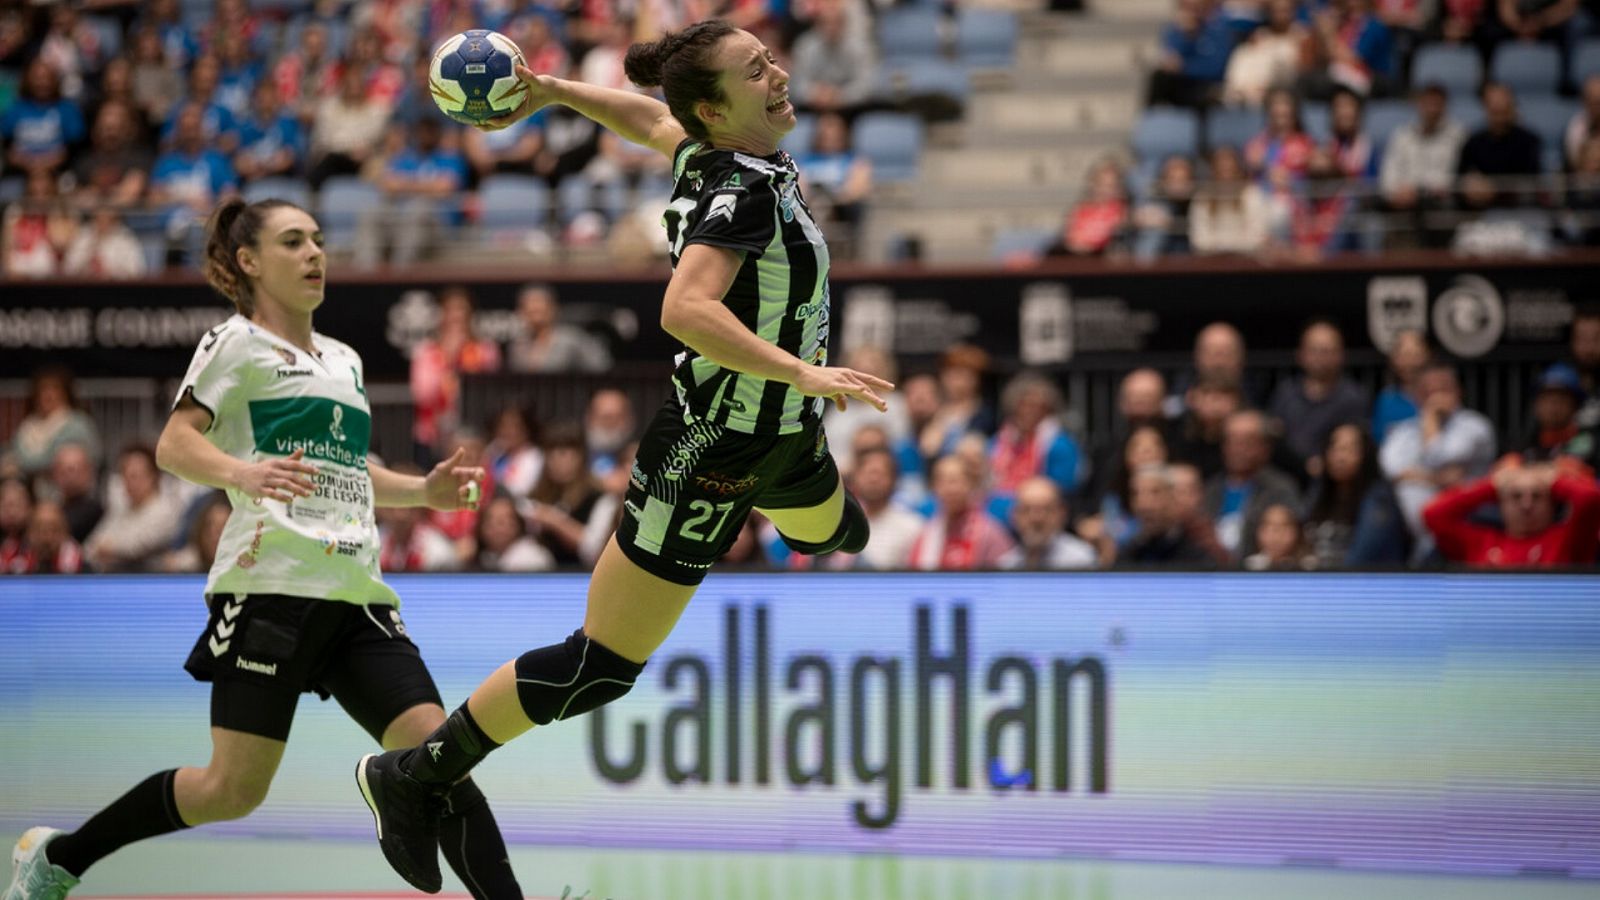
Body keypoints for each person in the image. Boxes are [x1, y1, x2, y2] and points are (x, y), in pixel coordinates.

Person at [352, 22, 893, 895]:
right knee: (600, 665)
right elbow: (684, 308)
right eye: (758, 70)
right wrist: (802, 369)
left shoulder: (717, 154)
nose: (781, 73)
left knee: (843, 533)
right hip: (712, 449)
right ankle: (413, 776)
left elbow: (649, 124)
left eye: (770, 59)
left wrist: (557, 90)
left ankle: (800, 507)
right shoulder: (740, 192)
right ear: (719, 109)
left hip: (788, 438)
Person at [2, 197, 526, 900]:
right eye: (293, 242)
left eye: (317, 239)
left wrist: (422, 493)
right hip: (270, 590)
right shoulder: (234, 344)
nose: (315, 254)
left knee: (441, 760)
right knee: (230, 790)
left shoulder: (345, 359)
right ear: (249, 262)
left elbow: (347, 468)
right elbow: (174, 443)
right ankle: (60, 857)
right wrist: (242, 472)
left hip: (355, 595)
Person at [1379, 361, 1497, 554]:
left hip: (1467, 525)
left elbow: (1437, 457)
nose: (1436, 397)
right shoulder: (1403, 432)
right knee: (1380, 499)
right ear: (1416, 396)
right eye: (1428, 391)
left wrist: (1430, 419)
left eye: (1443, 389)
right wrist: (1437, 478)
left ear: (1458, 391)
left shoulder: (1475, 426)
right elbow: (1390, 468)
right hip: (1411, 532)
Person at [1424, 456, 1600, 567]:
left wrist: (1553, 480)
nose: (1526, 504)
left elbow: (1591, 498)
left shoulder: (1569, 540)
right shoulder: (1479, 541)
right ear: (1501, 504)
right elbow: (1433, 514)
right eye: (1516, 496)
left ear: (1551, 504)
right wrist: (1493, 484)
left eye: (1537, 496)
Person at [409, 286, 502, 466]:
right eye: (449, 309)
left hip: (475, 434)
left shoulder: (486, 350)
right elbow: (423, 394)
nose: (456, 316)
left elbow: (491, 392)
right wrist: (449, 359)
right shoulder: (426, 352)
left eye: (461, 309)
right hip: (432, 436)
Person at [1267, 318, 1371, 477]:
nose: (1320, 358)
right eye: (1314, 350)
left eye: (1327, 351)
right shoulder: (1285, 393)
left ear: (1341, 355)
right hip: (1286, 474)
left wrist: (1325, 462)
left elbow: (1355, 446)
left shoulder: (1353, 398)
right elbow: (1275, 436)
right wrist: (1302, 464)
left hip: (1333, 478)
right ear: (1300, 354)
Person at [1302, 422, 1410, 567]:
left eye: (1349, 450)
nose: (1340, 457)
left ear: (1366, 455)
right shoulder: (1320, 491)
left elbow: (1361, 558)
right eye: (1335, 448)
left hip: (1361, 584)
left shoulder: (1379, 499)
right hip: (1318, 581)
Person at [1204, 409, 1301, 560]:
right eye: (1232, 441)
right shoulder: (1211, 488)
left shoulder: (1279, 489)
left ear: (1264, 448)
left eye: (1246, 442)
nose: (1238, 449)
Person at [1379, 83, 1466, 250]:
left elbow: (1453, 178)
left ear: (1445, 106)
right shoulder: (1402, 135)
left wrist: (1418, 191)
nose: (1432, 109)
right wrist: (1396, 193)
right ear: (1419, 105)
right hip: (1401, 203)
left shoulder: (1458, 136)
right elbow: (1388, 176)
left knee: (1432, 207)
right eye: (1428, 103)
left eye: (1437, 104)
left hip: (1439, 205)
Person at [82, 444, 185, 573]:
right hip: (115, 578)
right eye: (125, 476)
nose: (129, 482)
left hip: (152, 580)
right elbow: (90, 547)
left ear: (153, 476)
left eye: (135, 476)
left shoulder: (166, 510)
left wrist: (110, 548)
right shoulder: (120, 510)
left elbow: (137, 547)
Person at [908, 454, 1016, 571]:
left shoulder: (990, 533)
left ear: (970, 484)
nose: (948, 489)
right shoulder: (926, 534)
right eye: (942, 482)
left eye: (954, 481)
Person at [6, 367, 101, 480]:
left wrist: (19, 464)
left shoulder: (77, 423)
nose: (49, 395)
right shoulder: (28, 425)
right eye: (44, 390)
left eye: (54, 389)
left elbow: (53, 459)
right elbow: (14, 451)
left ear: (65, 393)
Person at [1116, 464, 1216, 566]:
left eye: (1155, 493)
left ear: (1173, 498)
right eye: (1136, 494)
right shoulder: (1128, 554)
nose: (1144, 505)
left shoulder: (1199, 547)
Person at [505, 283, 612, 373]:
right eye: (530, 312)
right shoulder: (517, 344)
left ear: (553, 309)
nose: (535, 319)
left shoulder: (572, 339)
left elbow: (602, 365)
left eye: (539, 312)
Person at [1001, 476, 1097, 570]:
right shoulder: (1007, 565)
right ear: (1014, 516)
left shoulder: (1081, 561)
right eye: (1026, 510)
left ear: (1062, 513)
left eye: (1046, 509)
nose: (1036, 518)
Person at [1519, 363, 1599, 470]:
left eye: (1561, 401)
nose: (1553, 408)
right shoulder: (1523, 444)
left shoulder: (1592, 443)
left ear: (1575, 406)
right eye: (1547, 400)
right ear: (1536, 405)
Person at [1371, 329, 1430, 444]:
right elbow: (1379, 442)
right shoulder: (1386, 400)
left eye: (1415, 355)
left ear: (1426, 356)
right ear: (1394, 360)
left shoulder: (1439, 396)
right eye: (1404, 355)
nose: (1410, 362)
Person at [1242, 503, 1313, 570]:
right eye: (1270, 528)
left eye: (1284, 527)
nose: (1276, 537)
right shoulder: (1248, 567)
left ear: (1296, 531)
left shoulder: (1309, 567)